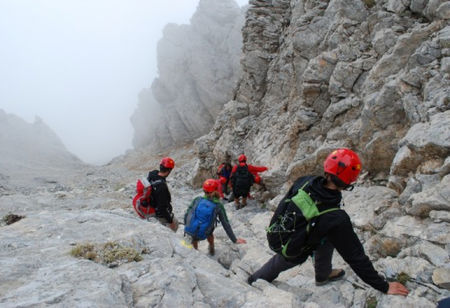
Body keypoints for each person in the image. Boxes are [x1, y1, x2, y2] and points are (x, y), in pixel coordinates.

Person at [248, 148, 409, 296]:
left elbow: (284, 203)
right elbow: (356, 257)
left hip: (280, 231)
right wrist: (383, 286)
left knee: (325, 238)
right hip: (297, 248)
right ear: (349, 182)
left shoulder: (305, 181)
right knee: (324, 237)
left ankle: (320, 275)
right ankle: (256, 282)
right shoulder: (337, 218)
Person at [185, 179, 246, 255]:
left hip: (190, 229)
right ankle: (211, 248)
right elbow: (225, 224)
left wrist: (187, 226)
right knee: (210, 230)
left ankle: (196, 252)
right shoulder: (218, 206)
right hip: (206, 232)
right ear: (216, 190)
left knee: (195, 238)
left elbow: (187, 213)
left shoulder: (197, 199)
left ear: (204, 190)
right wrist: (235, 240)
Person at [147, 157, 178, 232]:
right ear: (169, 170)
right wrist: (170, 222)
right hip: (158, 213)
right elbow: (162, 208)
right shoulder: (161, 187)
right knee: (175, 225)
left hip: (150, 204)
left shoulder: (152, 174)